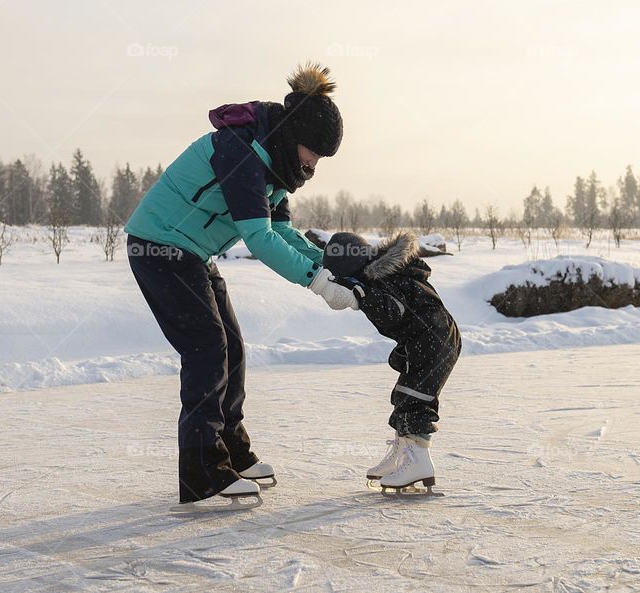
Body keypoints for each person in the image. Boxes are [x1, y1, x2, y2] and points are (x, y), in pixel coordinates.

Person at [125, 63, 358, 504]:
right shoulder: (242, 153)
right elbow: (259, 237)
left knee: (231, 343)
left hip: (191, 251)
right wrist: (319, 283)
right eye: (313, 152)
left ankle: (231, 450)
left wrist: (329, 265)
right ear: (294, 137)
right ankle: (202, 471)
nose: (312, 164)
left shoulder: (275, 162)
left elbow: (284, 232)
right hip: (159, 247)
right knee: (207, 347)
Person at [323, 231, 461, 492]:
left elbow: (393, 313)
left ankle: (419, 461)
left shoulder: (384, 280)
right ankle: (402, 455)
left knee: (415, 400)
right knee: (403, 397)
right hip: (426, 340)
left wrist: (361, 295)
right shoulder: (386, 272)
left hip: (433, 343)